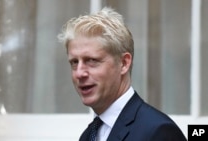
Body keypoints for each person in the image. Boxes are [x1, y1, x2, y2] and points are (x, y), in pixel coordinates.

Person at [58, 7, 187, 141]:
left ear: (124, 63)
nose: (79, 73)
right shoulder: (88, 136)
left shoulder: (159, 132)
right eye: (74, 62)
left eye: (91, 60)